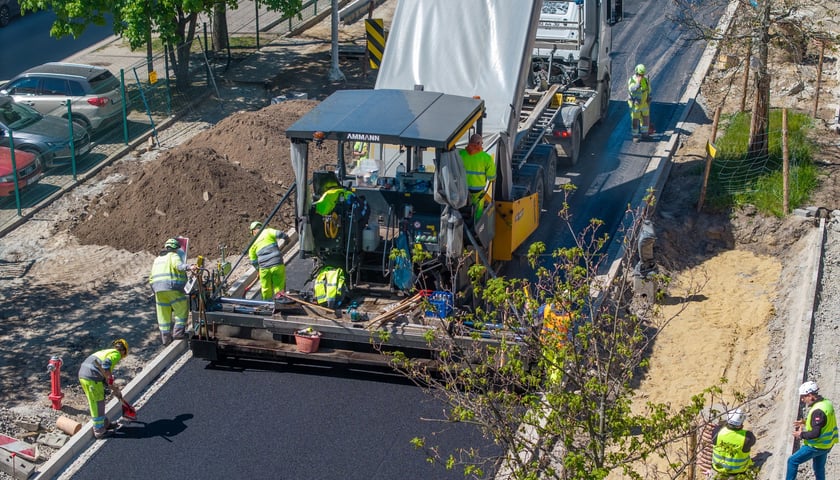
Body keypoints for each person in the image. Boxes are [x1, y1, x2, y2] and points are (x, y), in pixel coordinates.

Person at [786, 381, 838, 480]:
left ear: (810, 395)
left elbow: (815, 433)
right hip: (827, 444)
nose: (802, 400)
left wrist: (801, 434)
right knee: (818, 468)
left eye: (803, 397)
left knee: (792, 461)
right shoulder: (826, 403)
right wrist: (805, 422)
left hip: (817, 445)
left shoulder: (818, 411)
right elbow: (823, 422)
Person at [78, 339, 129, 439]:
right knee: (97, 402)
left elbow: (103, 369)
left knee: (98, 400)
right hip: (91, 377)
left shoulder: (105, 352)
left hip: (84, 374)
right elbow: (106, 364)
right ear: (123, 351)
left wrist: (110, 383)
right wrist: (110, 380)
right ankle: (99, 430)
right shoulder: (116, 354)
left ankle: (105, 423)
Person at [149, 237, 191, 345]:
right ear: (176, 249)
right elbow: (179, 266)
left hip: (158, 290)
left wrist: (154, 290)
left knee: (163, 313)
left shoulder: (157, 259)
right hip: (172, 287)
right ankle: (178, 333)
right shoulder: (173, 256)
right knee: (181, 308)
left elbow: (151, 277)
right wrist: (190, 267)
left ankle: (166, 339)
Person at [459, 133, 496, 222]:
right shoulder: (486, 158)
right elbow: (492, 177)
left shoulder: (460, 154)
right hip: (478, 191)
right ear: (479, 143)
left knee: (462, 205)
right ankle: (476, 225)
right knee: (478, 208)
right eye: (481, 143)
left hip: (462, 189)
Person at [248, 221, 290, 300]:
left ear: (253, 232)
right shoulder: (268, 231)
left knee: (266, 288)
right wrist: (287, 239)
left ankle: (266, 305)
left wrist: (258, 270)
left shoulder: (252, 245)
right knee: (279, 286)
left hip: (264, 269)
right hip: (277, 264)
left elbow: (253, 261)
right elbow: (280, 234)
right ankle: (280, 302)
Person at [710, 408, 756, 478]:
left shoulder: (717, 431)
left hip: (718, 470)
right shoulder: (747, 437)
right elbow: (752, 442)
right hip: (739, 473)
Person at [627, 63, 651, 142]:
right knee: (635, 120)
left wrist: (649, 97)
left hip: (644, 103)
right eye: (640, 74)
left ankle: (645, 134)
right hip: (636, 104)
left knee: (646, 119)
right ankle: (635, 136)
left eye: (642, 74)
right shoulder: (632, 80)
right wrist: (637, 84)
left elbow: (648, 89)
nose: (641, 76)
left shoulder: (645, 80)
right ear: (636, 73)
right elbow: (631, 89)